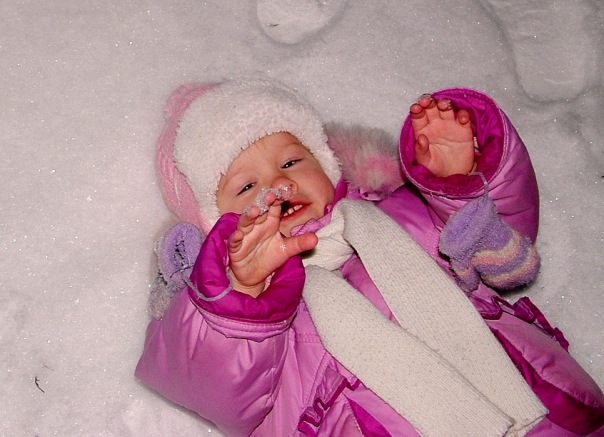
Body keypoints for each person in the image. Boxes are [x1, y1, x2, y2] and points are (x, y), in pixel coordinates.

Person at [136, 78, 604, 436]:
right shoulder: (258, 322)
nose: (279, 185)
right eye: (246, 187)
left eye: (292, 161)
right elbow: (213, 388)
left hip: (548, 407)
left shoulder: (405, 214)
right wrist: (241, 293)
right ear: (215, 223)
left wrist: (460, 181)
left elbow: (505, 230)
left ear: (328, 164)